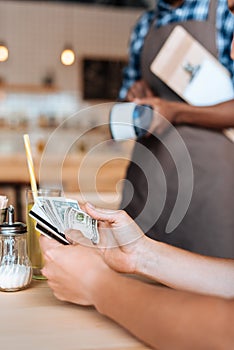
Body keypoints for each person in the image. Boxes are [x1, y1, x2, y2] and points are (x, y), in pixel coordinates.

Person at [118, 0, 234, 259]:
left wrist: (176, 111)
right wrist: (134, 99)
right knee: (137, 281)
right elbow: (126, 109)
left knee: (210, 285)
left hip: (210, 190)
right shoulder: (144, 26)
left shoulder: (226, 12)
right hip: (147, 183)